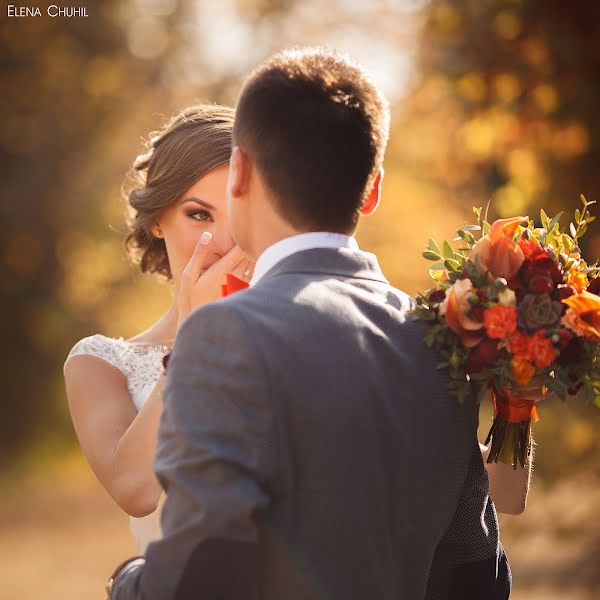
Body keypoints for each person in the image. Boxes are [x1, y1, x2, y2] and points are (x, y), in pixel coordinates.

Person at [105, 47, 539, 600]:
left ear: (239, 172)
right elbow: (476, 577)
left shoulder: (224, 333)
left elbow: (197, 578)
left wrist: (126, 582)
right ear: (375, 187)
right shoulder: (439, 337)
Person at [63, 104, 252, 553]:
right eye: (200, 215)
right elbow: (136, 489)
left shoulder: (305, 335)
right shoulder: (99, 362)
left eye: (239, 216)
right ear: (158, 220)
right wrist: (194, 338)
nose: (222, 244)